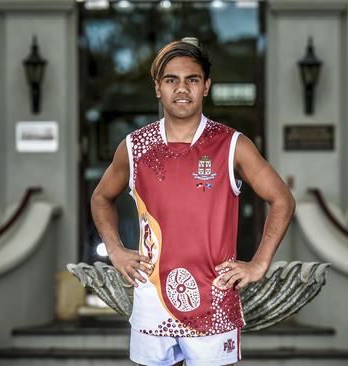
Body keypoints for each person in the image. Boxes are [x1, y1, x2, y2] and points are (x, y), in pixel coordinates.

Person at [90, 40, 295, 366]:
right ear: (158, 88)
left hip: (213, 299)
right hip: (152, 298)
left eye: (192, 79)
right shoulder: (135, 146)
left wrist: (259, 264)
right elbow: (101, 197)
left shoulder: (231, 144)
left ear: (206, 86)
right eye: (171, 80)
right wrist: (115, 249)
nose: (181, 88)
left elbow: (281, 199)